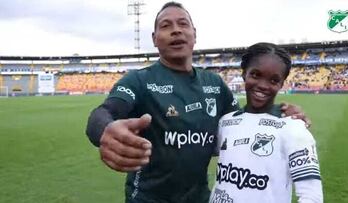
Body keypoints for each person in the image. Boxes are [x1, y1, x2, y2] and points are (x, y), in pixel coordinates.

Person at [86, 2, 310, 203]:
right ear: (155, 39)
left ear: (194, 34)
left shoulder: (214, 83)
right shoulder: (139, 80)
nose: (176, 30)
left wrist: (281, 113)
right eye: (166, 26)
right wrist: (105, 130)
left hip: (200, 198)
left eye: (183, 23)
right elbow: (105, 112)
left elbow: (241, 123)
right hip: (147, 199)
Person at [209, 42, 323, 203]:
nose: (263, 85)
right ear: (244, 74)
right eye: (255, 75)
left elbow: (312, 196)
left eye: (274, 80)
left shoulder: (293, 127)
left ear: (282, 84)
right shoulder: (226, 122)